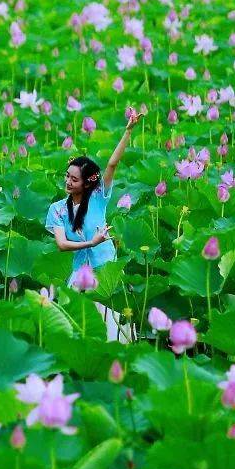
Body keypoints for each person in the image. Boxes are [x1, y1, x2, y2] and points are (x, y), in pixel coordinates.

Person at [44, 111, 141, 342]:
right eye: (67, 177)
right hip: (80, 272)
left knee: (113, 330)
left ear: (87, 182)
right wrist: (91, 242)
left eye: (74, 179)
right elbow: (61, 244)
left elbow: (112, 164)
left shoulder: (98, 198)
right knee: (77, 327)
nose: (68, 182)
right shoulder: (57, 209)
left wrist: (128, 131)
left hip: (106, 268)